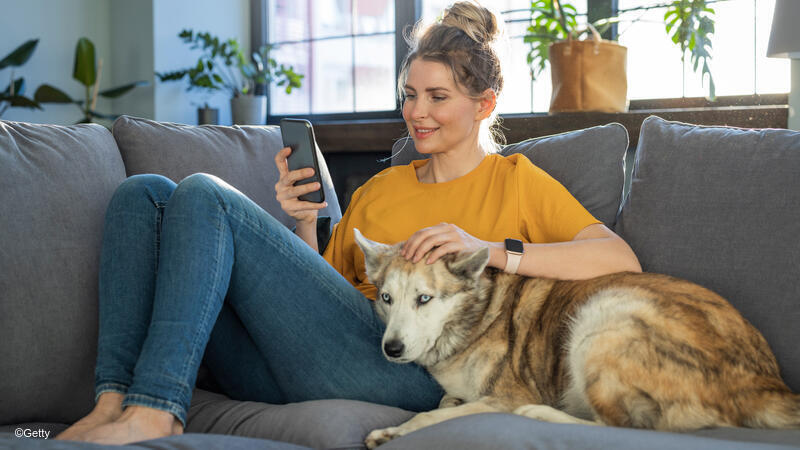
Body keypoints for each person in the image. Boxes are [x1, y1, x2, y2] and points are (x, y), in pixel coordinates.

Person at [57, 1, 641, 445]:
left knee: (207, 195)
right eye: (409, 94)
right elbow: (322, 292)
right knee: (144, 195)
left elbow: (619, 259)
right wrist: (304, 222)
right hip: (314, 356)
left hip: (411, 367)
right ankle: (112, 401)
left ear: (484, 104)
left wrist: (490, 249)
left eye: (438, 97)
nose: (417, 112)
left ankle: (157, 408)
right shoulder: (384, 186)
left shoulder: (515, 180)